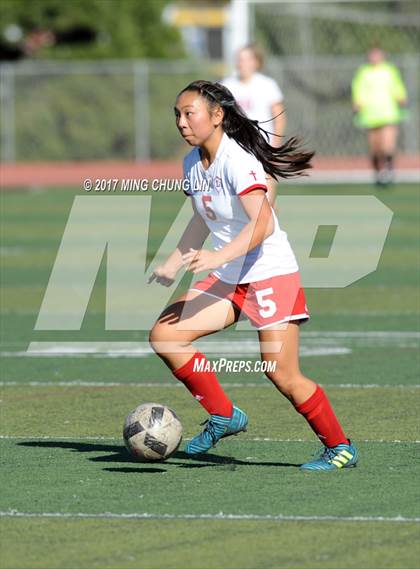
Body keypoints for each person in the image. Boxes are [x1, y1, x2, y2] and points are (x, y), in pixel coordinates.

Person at [148, 80, 358, 471]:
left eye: (188, 113)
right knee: (166, 336)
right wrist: (173, 262)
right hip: (230, 273)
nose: (180, 121)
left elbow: (262, 225)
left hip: (269, 273)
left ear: (217, 115)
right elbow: (200, 218)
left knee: (282, 373)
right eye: (176, 114)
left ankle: (339, 447)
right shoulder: (192, 162)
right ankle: (224, 415)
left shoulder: (238, 160)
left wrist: (217, 257)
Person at [221, 44, 285, 205]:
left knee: (266, 197)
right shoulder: (227, 85)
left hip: (261, 144)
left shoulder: (267, 85)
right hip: (236, 146)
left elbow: (279, 116)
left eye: (246, 59)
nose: (241, 63)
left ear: (256, 62)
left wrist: (275, 145)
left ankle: (269, 222)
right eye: (239, 59)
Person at [352, 46, 408, 186]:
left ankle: (389, 171)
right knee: (376, 148)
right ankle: (378, 173)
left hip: (388, 113)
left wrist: (401, 97)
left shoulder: (390, 70)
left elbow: (397, 86)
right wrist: (357, 103)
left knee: (388, 145)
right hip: (370, 115)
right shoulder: (363, 72)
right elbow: (359, 89)